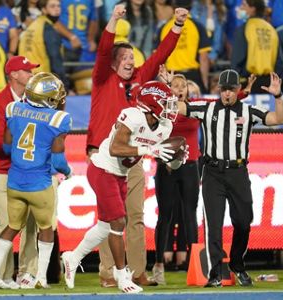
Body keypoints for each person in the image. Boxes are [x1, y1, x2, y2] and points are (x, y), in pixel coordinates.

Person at [83, 4, 188, 287]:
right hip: (105, 158)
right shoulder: (102, 78)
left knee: (137, 216)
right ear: (114, 62)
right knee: (109, 217)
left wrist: (177, 25)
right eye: (126, 57)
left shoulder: (141, 79)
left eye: (133, 57)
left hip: (133, 158)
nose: (131, 61)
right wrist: (114, 19)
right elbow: (104, 49)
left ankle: (138, 271)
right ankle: (108, 272)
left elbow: (161, 54)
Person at [61, 81, 186, 293]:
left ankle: (73, 258)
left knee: (105, 226)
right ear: (152, 103)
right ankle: (122, 276)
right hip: (102, 169)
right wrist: (149, 149)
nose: (170, 108)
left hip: (121, 175)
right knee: (118, 221)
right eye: (165, 102)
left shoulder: (165, 126)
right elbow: (116, 147)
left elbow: (164, 158)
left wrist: (175, 160)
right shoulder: (133, 115)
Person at [176, 69, 283, 287]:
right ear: (219, 90)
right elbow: (181, 108)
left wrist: (278, 96)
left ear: (238, 89)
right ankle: (215, 272)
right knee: (213, 225)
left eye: (231, 89)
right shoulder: (206, 108)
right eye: (224, 89)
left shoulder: (249, 110)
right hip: (213, 172)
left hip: (238, 172)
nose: (227, 94)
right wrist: (172, 91)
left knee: (244, 221)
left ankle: (237, 263)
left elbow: (278, 119)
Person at [0, 72, 72, 289]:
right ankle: (40, 277)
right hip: (39, 183)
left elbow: (6, 146)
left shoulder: (13, 108)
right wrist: (67, 172)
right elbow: (58, 159)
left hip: (14, 181)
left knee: (11, 226)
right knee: (46, 228)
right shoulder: (59, 119)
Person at [0, 56, 40, 289]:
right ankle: (1, 276)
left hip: (20, 170)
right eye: (27, 71)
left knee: (30, 220)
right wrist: (29, 149)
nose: (32, 74)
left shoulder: (32, 100)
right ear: (14, 75)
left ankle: (26, 274)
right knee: (9, 220)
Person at [151, 73, 201, 284]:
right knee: (165, 216)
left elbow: (222, 103)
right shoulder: (161, 111)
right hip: (167, 167)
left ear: (188, 90)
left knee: (190, 214)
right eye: (175, 85)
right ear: (168, 89)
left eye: (183, 86)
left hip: (190, 167)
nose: (179, 89)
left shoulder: (195, 108)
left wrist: (243, 92)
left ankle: (195, 265)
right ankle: (158, 265)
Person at [231, 0, 283, 93]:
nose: (241, 8)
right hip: (269, 83)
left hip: (249, 82)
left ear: (253, 8)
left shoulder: (245, 28)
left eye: (244, 5)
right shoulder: (271, 29)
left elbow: (237, 58)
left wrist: (238, 80)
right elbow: (280, 62)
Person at [158, 0, 211, 93]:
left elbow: (159, 60)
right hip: (192, 77)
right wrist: (205, 84)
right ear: (191, 6)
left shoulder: (164, 27)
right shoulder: (198, 27)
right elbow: (204, 58)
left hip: (171, 76)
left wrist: (164, 82)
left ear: (173, 6)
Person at [18, 0, 68, 86]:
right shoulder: (47, 29)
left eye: (58, 6)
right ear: (44, 10)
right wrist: (63, 84)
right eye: (52, 6)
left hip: (25, 78)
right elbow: (55, 57)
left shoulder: (33, 26)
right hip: (41, 81)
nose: (57, 9)